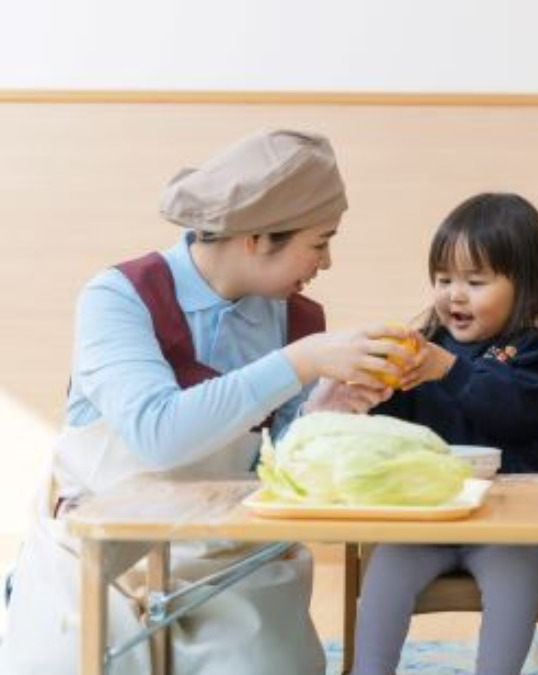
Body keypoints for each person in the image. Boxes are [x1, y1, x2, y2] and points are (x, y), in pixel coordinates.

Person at [0, 129, 414, 675]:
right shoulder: (119, 297)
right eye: (320, 242)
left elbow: (280, 470)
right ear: (258, 237)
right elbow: (160, 434)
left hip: (229, 559)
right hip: (96, 551)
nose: (327, 261)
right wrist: (299, 363)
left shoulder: (298, 320)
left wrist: (322, 415)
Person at [344, 193, 538, 675]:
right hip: (424, 519)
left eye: (475, 281)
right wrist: (376, 388)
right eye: (444, 279)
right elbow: (390, 431)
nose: (455, 294)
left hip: (510, 525)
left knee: (518, 582)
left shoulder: (536, 354)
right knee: (384, 577)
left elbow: (511, 411)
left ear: (525, 287)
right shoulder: (425, 349)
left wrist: (447, 369)